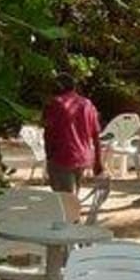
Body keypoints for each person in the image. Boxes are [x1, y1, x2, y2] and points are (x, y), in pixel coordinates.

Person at [43, 74, 102, 214]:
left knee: (65, 203)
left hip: (62, 156)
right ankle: (73, 220)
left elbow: (48, 132)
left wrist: (49, 155)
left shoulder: (55, 104)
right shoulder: (87, 104)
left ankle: (72, 224)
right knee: (72, 197)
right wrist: (98, 161)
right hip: (82, 157)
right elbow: (96, 134)